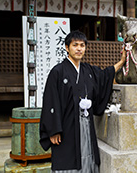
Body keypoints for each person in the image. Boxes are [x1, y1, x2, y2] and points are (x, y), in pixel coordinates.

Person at [39, 30, 126, 172]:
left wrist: (122, 62)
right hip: (66, 125)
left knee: (87, 154)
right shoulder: (58, 71)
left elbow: (105, 75)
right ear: (67, 48)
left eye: (82, 45)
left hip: (85, 122)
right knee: (68, 157)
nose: (79, 49)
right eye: (75, 45)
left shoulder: (88, 70)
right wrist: (53, 130)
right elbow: (50, 101)